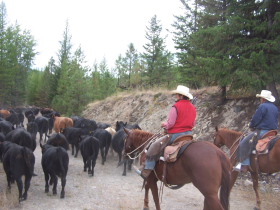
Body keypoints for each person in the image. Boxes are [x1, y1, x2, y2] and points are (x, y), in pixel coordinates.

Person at [134, 85, 197, 179]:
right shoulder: (193, 108)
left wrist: (164, 124)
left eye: (177, 94)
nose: (176, 95)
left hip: (175, 135)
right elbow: (193, 123)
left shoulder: (176, 106)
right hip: (188, 135)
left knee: (154, 145)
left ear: (180, 95)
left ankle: (146, 171)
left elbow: (171, 124)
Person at [234, 90, 279, 172]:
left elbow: (256, 119)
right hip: (273, 132)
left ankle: (244, 165)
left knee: (243, 143)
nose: (260, 100)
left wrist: (251, 125)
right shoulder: (275, 108)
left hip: (263, 131)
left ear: (263, 99)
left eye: (261, 98)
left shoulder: (262, 106)